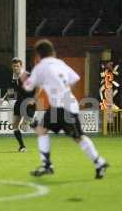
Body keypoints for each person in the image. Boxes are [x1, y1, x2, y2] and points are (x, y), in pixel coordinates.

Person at [22, 39, 109, 179]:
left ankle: (99, 162)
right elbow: (75, 79)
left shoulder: (41, 67)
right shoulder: (60, 63)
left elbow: (28, 87)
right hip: (65, 104)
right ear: (52, 52)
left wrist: (22, 76)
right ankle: (47, 165)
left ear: (38, 55)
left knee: (77, 137)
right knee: (41, 129)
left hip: (62, 107)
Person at [4, 57, 36, 152]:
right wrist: (5, 97)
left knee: (24, 127)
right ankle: (22, 146)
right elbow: (11, 89)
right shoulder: (13, 77)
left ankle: (30, 122)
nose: (15, 68)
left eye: (17, 66)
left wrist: (34, 98)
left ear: (21, 66)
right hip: (19, 102)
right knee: (14, 125)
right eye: (14, 66)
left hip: (29, 102)